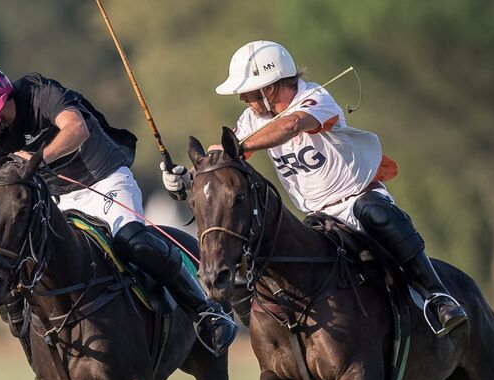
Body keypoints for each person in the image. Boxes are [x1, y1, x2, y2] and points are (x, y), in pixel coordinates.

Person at [0, 65, 238, 380]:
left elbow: (75, 128)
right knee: (20, 281)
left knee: (132, 241)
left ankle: (206, 313)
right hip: (54, 200)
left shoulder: (38, 93)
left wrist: (35, 161)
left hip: (102, 179)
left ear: (0, 103)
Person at [162, 41, 467, 336]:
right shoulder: (252, 118)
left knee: (378, 215)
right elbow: (223, 158)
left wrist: (239, 145)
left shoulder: (316, 98)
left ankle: (437, 296)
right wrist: (189, 177)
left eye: (248, 92)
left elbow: (291, 125)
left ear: (270, 88)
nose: (243, 99)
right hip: (316, 217)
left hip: (357, 197)